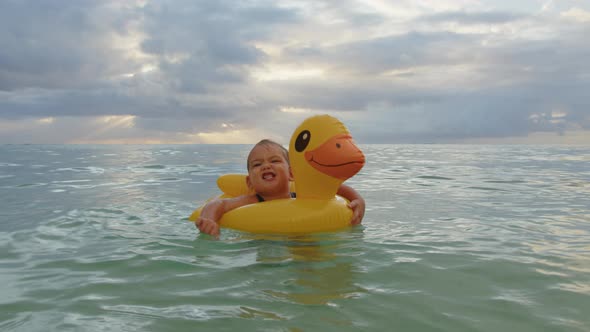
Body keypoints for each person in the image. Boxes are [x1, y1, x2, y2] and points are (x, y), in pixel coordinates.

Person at [196, 139, 365, 236]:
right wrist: (208, 220)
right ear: (249, 183)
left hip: (303, 236)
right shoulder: (251, 200)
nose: (266, 166)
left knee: (309, 253)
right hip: (262, 243)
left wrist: (357, 200)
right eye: (257, 164)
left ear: (291, 173)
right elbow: (219, 205)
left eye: (274, 161)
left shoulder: (298, 194)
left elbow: (332, 187)